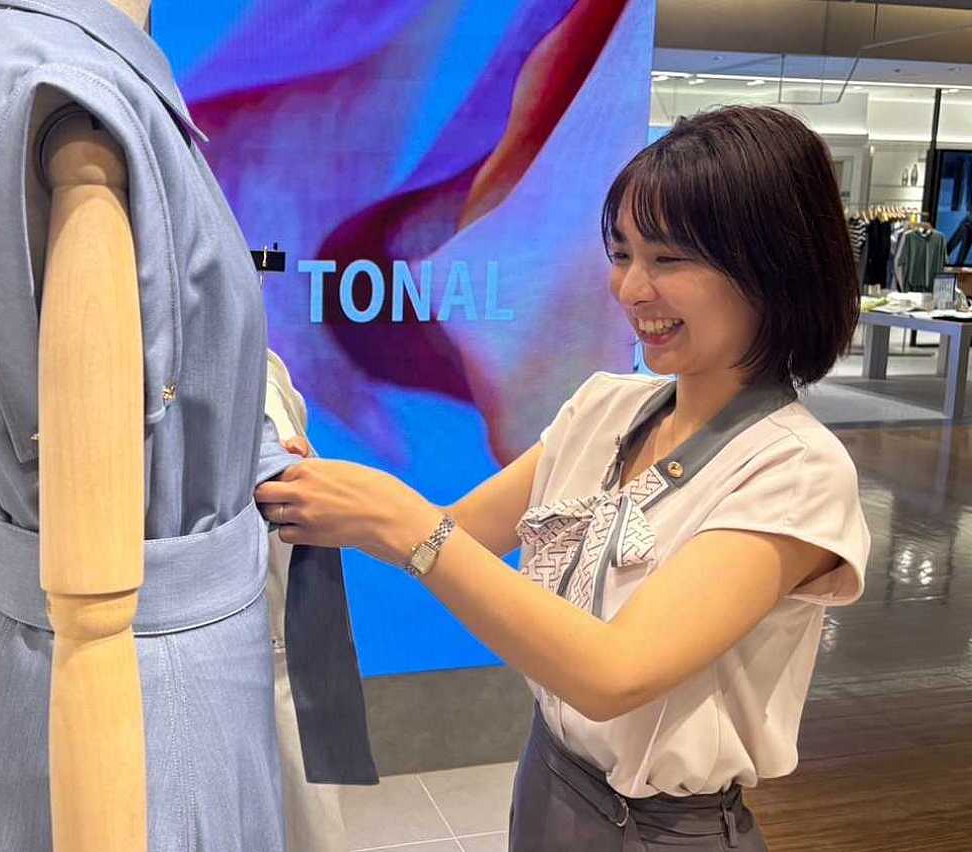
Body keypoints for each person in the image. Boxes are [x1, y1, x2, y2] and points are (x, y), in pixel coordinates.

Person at [256, 106, 870, 850]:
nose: (632, 289)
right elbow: (465, 532)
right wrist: (329, 495)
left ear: (774, 266)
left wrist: (402, 522)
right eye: (622, 254)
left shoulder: (794, 470)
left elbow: (614, 674)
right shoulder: (605, 408)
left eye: (669, 260)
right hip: (549, 781)